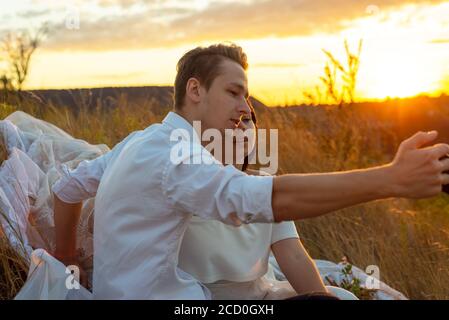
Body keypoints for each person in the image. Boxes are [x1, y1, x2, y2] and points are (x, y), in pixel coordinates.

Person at [52, 43, 449, 299]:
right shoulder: (177, 156)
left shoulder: (142, 141)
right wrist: (390, 179)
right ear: (195, 91)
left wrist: (67, 254)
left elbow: (67, 188)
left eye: (247, 98)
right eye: (234, 91)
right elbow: (264, 198)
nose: (245, 107)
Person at [179, 107, 349, 299]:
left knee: (341, 296)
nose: (241, 126)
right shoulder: (184, 187)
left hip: (262, 295)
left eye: (248, 120)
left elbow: (294, 256)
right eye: (233, 120)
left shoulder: (265, 185)